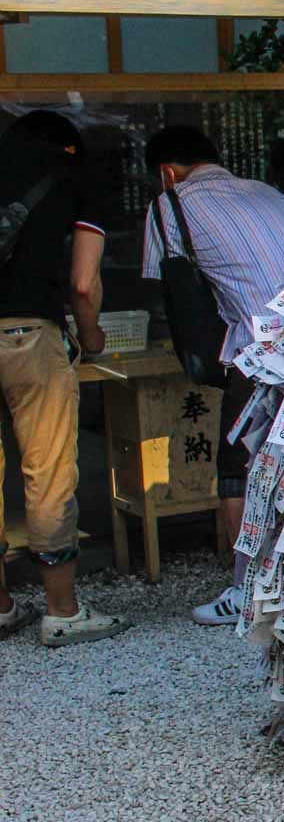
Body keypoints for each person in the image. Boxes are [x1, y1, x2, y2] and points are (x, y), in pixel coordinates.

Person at [141, 126, 284, 626]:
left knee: (235, 470)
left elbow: (169, 292)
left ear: (166, 172)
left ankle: (248, 589)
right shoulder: (266, 192)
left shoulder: (170, 204)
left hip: (263, 348)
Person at [0, 112, 127, 646]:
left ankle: (3, 607)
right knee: (48, 470)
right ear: (68, 149)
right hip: (29, 334)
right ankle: (62, 610)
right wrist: (92, 335)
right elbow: (82, 280)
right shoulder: (75, 176)